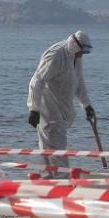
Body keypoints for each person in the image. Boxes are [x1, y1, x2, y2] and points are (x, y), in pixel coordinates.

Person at [27, 31, 95, 172]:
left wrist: (87, 105)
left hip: (62, 107)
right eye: (83, 51)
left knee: (51, 148)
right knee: (56, 146)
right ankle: (62, 181)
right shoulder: (55, 56)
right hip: (48, 108)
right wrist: (34, 109)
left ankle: (49, 179)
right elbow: (37, 81)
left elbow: (78, 83)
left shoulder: (75, 57)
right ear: (76, 46)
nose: (83, 55)